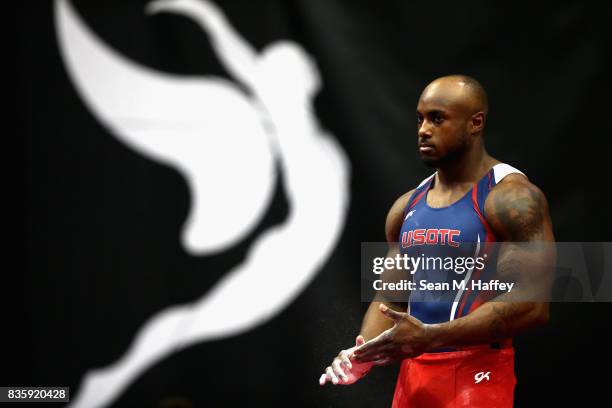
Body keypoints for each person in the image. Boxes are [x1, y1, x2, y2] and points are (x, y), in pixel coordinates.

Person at [319, 75, 555, 407]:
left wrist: (431, 336)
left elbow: (533, 307)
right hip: (413, 378)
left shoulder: (512, 198)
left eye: (437, 118)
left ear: (475, 123)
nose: (423, 129)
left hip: (477, 376)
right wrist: (364, 353)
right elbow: (392, 297)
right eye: (420, 118)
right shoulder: (406, 207)